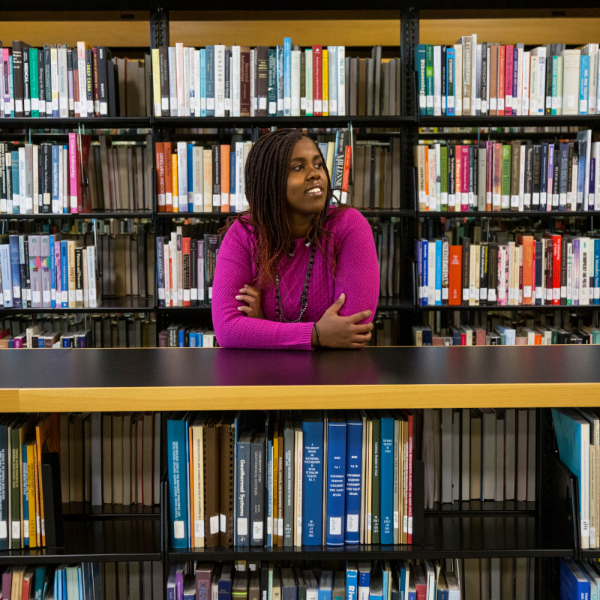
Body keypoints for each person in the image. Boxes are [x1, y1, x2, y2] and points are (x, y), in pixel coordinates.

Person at [212, 129, 380, 350]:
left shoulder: (349, 226)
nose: (314, 174)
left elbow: (352, 329)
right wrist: (316, 334)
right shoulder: (244, 234)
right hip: (262, 380)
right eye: (298, 167)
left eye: (318, 164)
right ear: (269, 181)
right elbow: (228, 331)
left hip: (334, 376)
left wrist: (262, 327)